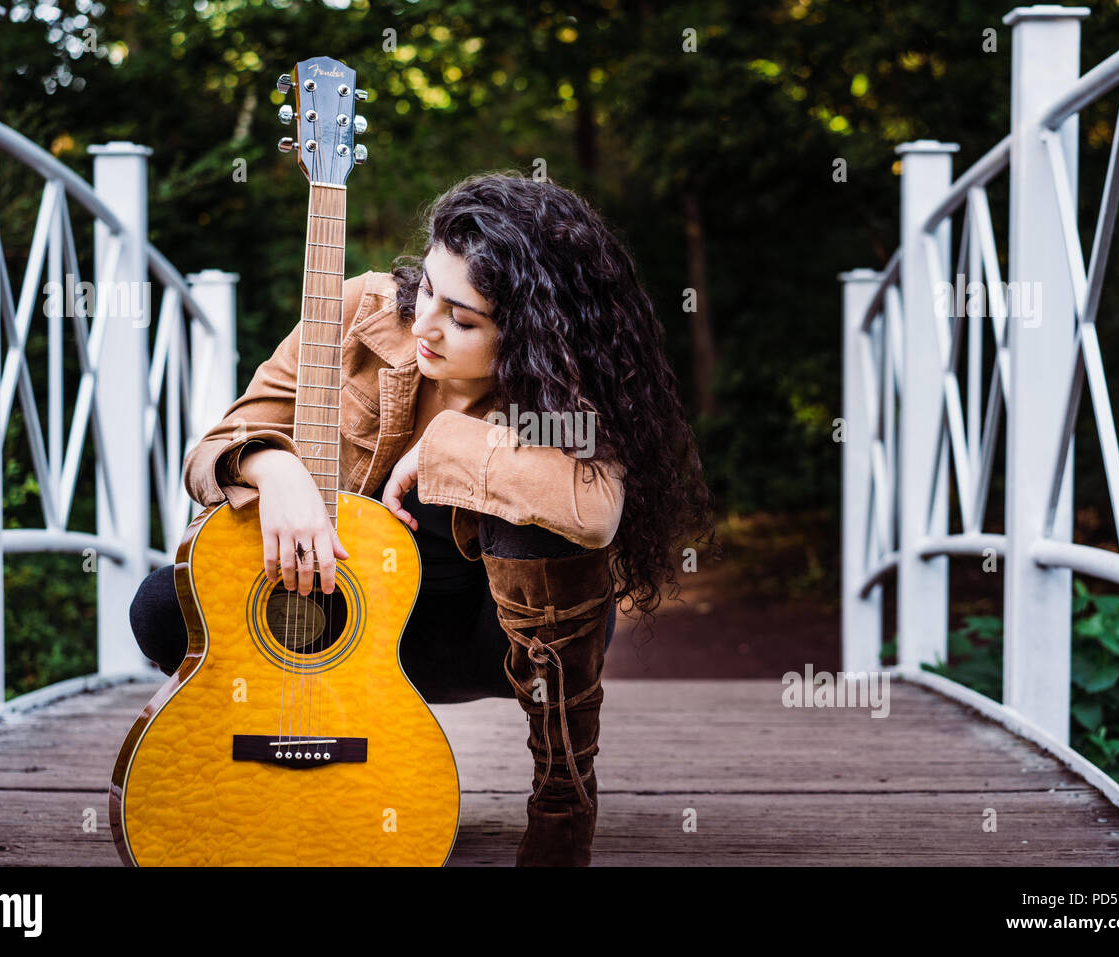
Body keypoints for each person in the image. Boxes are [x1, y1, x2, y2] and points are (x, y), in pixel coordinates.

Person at [129, 170, 714, 866]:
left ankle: (562, 791)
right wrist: (269, 466)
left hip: (495, 638)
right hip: (349, 628)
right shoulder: (354, 314)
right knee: (165, 606)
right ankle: (315, 752)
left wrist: (445, 447)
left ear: (526, 331)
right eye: (429, 288)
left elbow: (595, 509)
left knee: (532, 511)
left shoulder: (559, 384)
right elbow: (209, 454)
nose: (427, 325)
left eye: (463, 319)